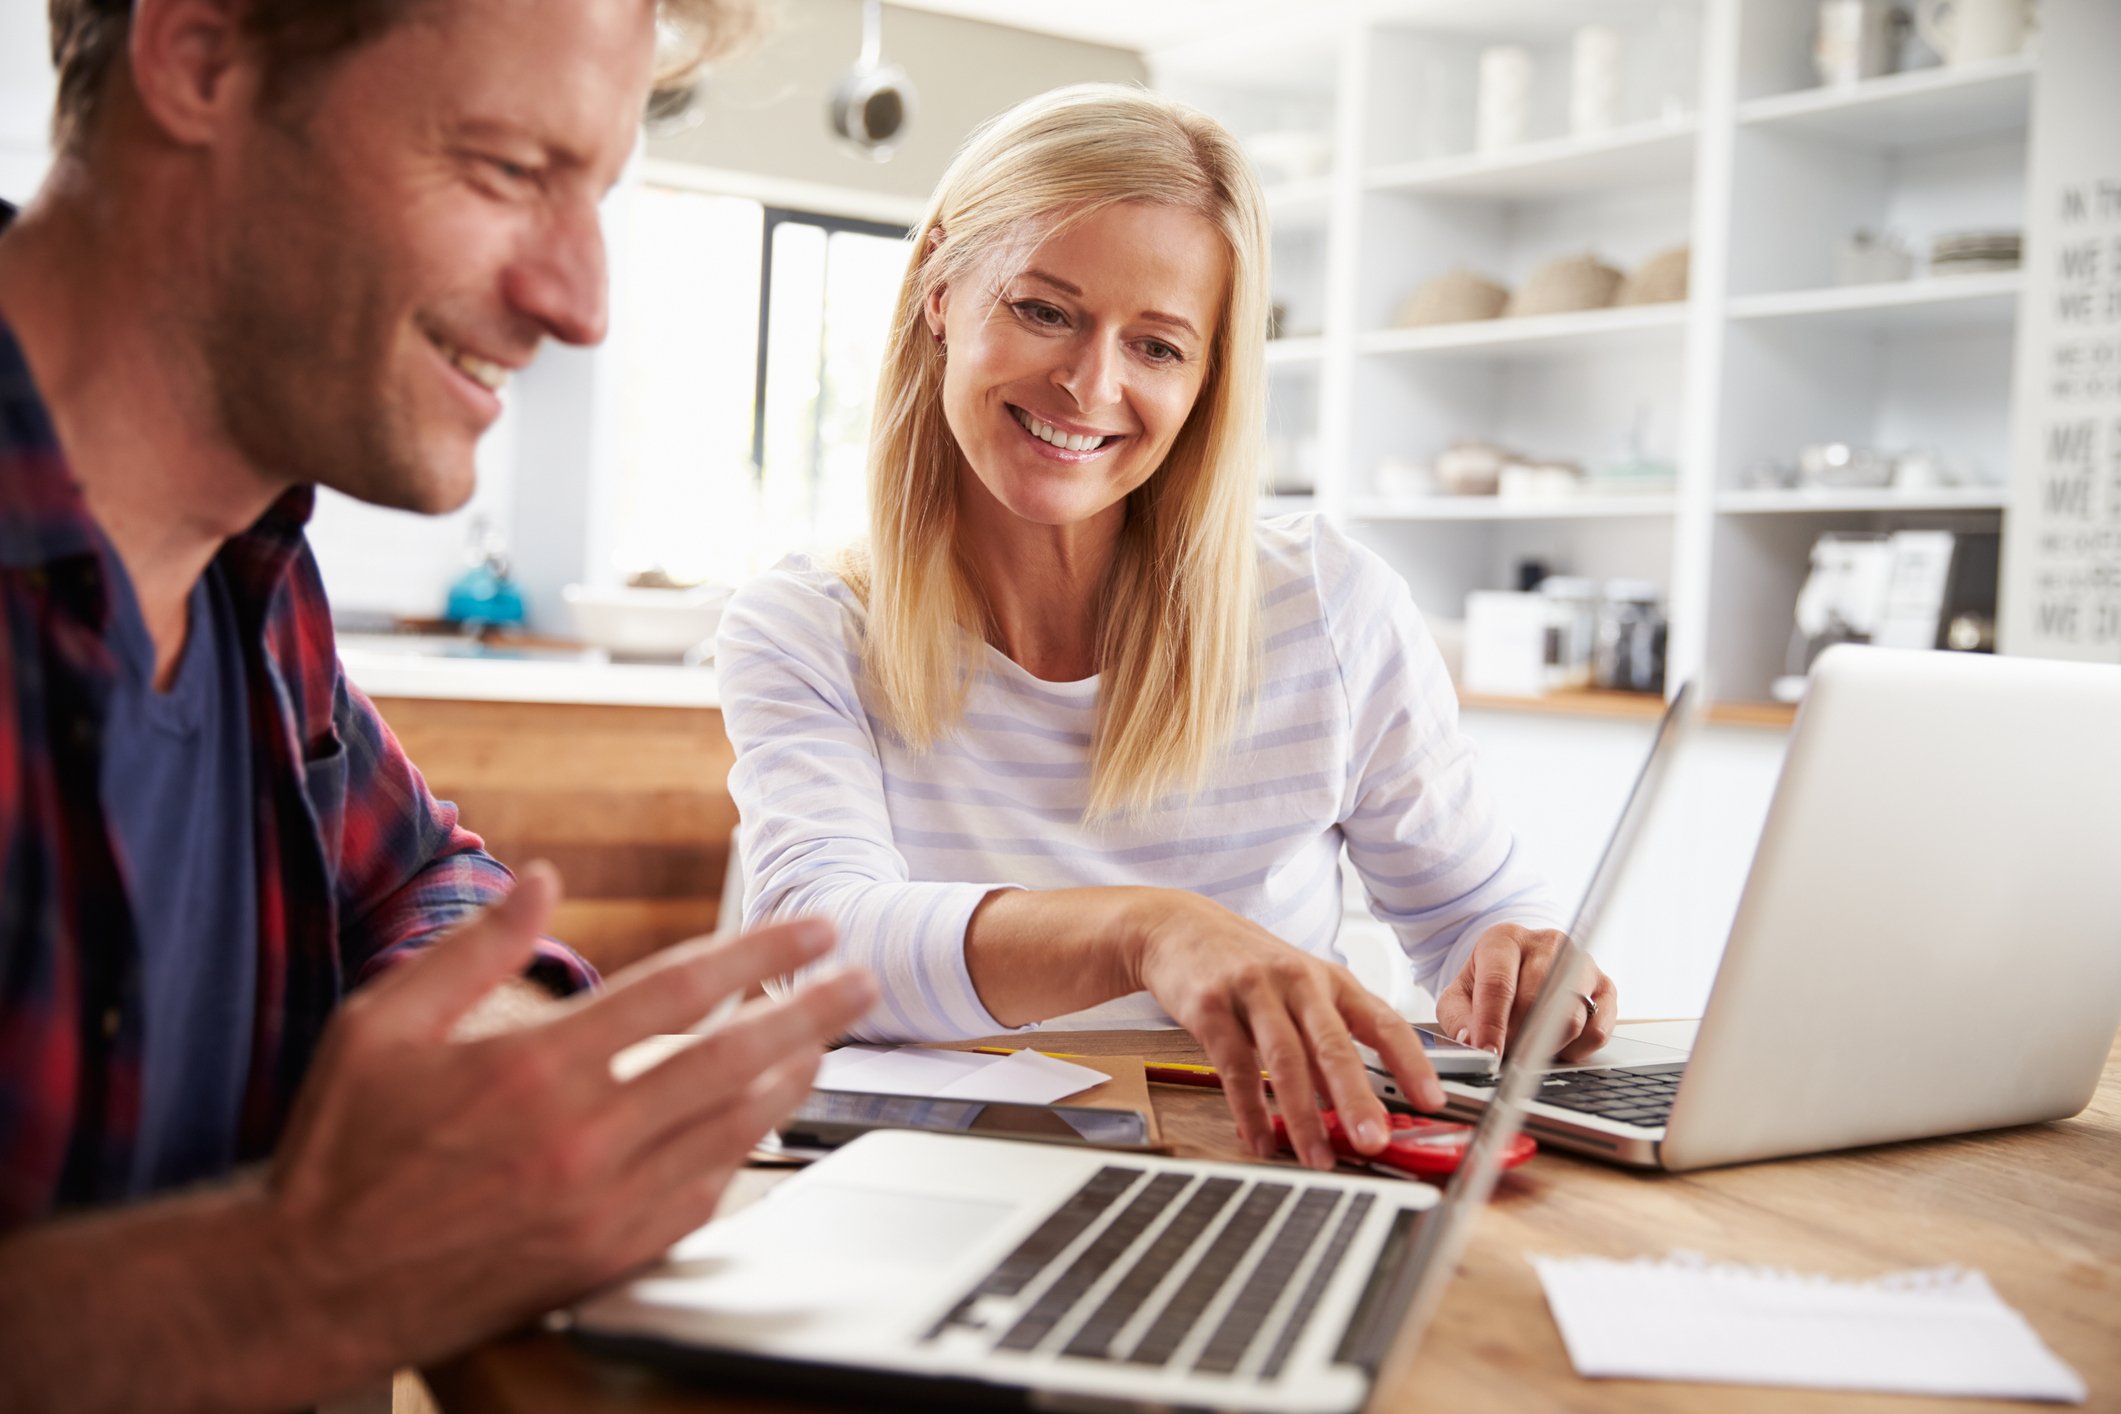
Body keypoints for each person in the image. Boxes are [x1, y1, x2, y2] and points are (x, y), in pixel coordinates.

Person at [0, 1, 875, 1408]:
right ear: (199, 54)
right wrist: (311, 1272)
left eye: (594, 192)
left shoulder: (246, 576)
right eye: (509, 169)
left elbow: (421, 879)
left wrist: (486, 1053)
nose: (581, 306)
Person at [717, 84, 1617, 1176]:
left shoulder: (1328, 604)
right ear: (941, 289)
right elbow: (818, 948)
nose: (1089, 385)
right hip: (933, 1177)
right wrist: (1149, 931)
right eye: (1044, 310)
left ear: (1207, 379)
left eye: (1156, 346)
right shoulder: (807, 625)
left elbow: (1472, 912)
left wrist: (1522, 963)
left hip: (1267, 1170)